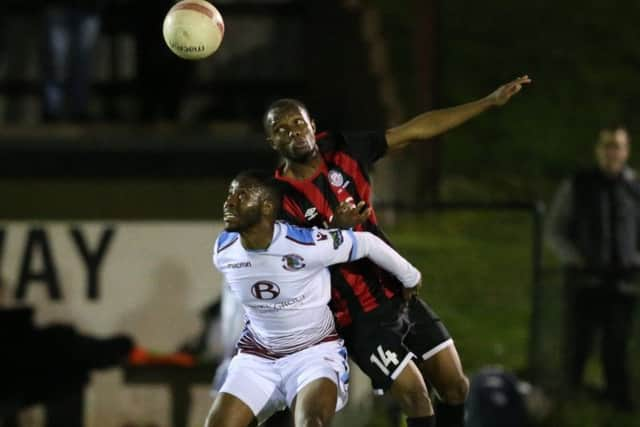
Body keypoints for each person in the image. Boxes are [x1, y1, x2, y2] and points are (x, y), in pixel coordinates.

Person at [265, 75, 531, 427]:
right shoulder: (278, 197)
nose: (293, 131)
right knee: (416, 397)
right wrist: (333, 229)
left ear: (313, 125)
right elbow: (292, 262)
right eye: (281, 129)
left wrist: (487, 101)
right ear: (272, 141)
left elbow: (416, 130)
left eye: (298, 122)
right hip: (355, 317)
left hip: (397, 294)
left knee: (455, 386)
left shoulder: (345, 150)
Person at [207, 170, 423, 427]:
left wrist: (410, 277)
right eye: (230, 194)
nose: (229, 202)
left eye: (241, 195)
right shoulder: (224, 250)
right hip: (258, 357)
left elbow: (365, 243)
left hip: (313, 355)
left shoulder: (302, 244)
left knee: (311, 422)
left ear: (266, 207)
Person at [546, 125, 639, 411]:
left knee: (617, 348)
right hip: (584, 282)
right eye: (607, 146)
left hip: (624, 283)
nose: (612, 152)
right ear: (598, 150)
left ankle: (617, 405)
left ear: (626, 151)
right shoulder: (578, 184)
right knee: (577, 347)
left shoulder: (635, 187)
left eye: (617, 146)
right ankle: (568, 404)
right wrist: (576, 259)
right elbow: (555, 230)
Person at [42, 0, 106, 122]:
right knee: (56, 61)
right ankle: (52, 109)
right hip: (58, 7)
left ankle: (79, 109)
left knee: (83, 62)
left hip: (89, 8)